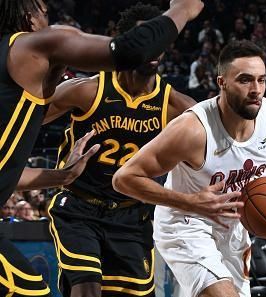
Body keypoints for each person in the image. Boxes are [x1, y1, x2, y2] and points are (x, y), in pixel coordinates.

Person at [0, 0, 204, 295]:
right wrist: (184, 8)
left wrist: (60, 176)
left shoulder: (176, 105)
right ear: (30, 19)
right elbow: (129, 50)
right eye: (45, 12)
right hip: (81, 208)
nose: (49, 19)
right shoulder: (44, 51)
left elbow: (7, 173)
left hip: (130, 215)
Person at [113, 40, 266, 297]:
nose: (256, 90)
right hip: (186, 222)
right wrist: (190, 202)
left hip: (232, 229)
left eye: (261, 80)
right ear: (222, 83)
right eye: (245, 80)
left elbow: (263, 184)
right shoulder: (193, 130)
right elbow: (124, 178)